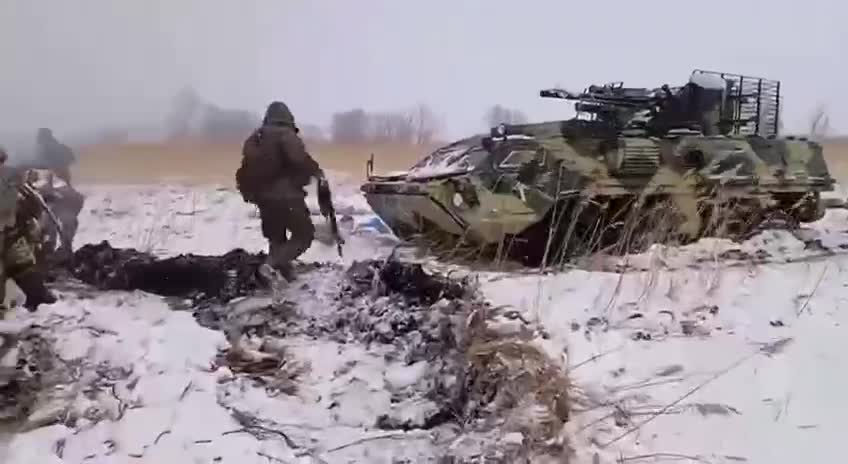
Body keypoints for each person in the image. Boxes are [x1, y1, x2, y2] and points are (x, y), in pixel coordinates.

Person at [235, 101, 325, 282]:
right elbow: (299, 160)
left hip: (263, 199)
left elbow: (244, 172)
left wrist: (252, 194)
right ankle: (268, 267)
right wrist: (316, 171)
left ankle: (285, 278)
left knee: (276, 239)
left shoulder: (257, 139)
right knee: (304, 235)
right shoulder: (286, 135)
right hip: (287, 197)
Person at [0, 159, 57, 315]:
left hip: (13, 239)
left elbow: (33, 211)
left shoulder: (17, 186)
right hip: (13, 239)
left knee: (25, 272)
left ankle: (38, 299)